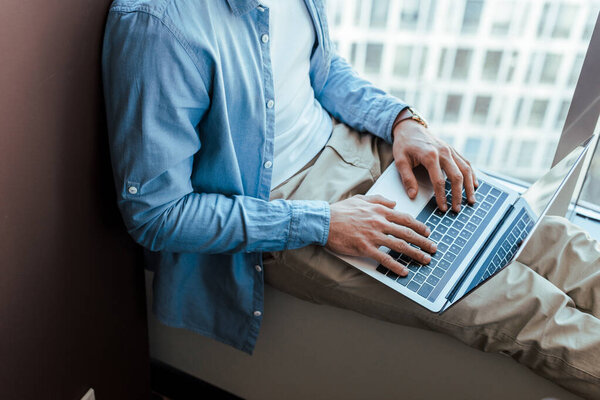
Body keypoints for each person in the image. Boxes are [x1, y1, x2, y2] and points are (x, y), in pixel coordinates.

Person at [102, 0, 600, 397]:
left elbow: (320, 70)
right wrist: (324, 222)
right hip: (287, 204)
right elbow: (155, 214)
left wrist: (402, 121)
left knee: (557, 243)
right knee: (524, 305)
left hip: (362, 147)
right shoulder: (156, 26)